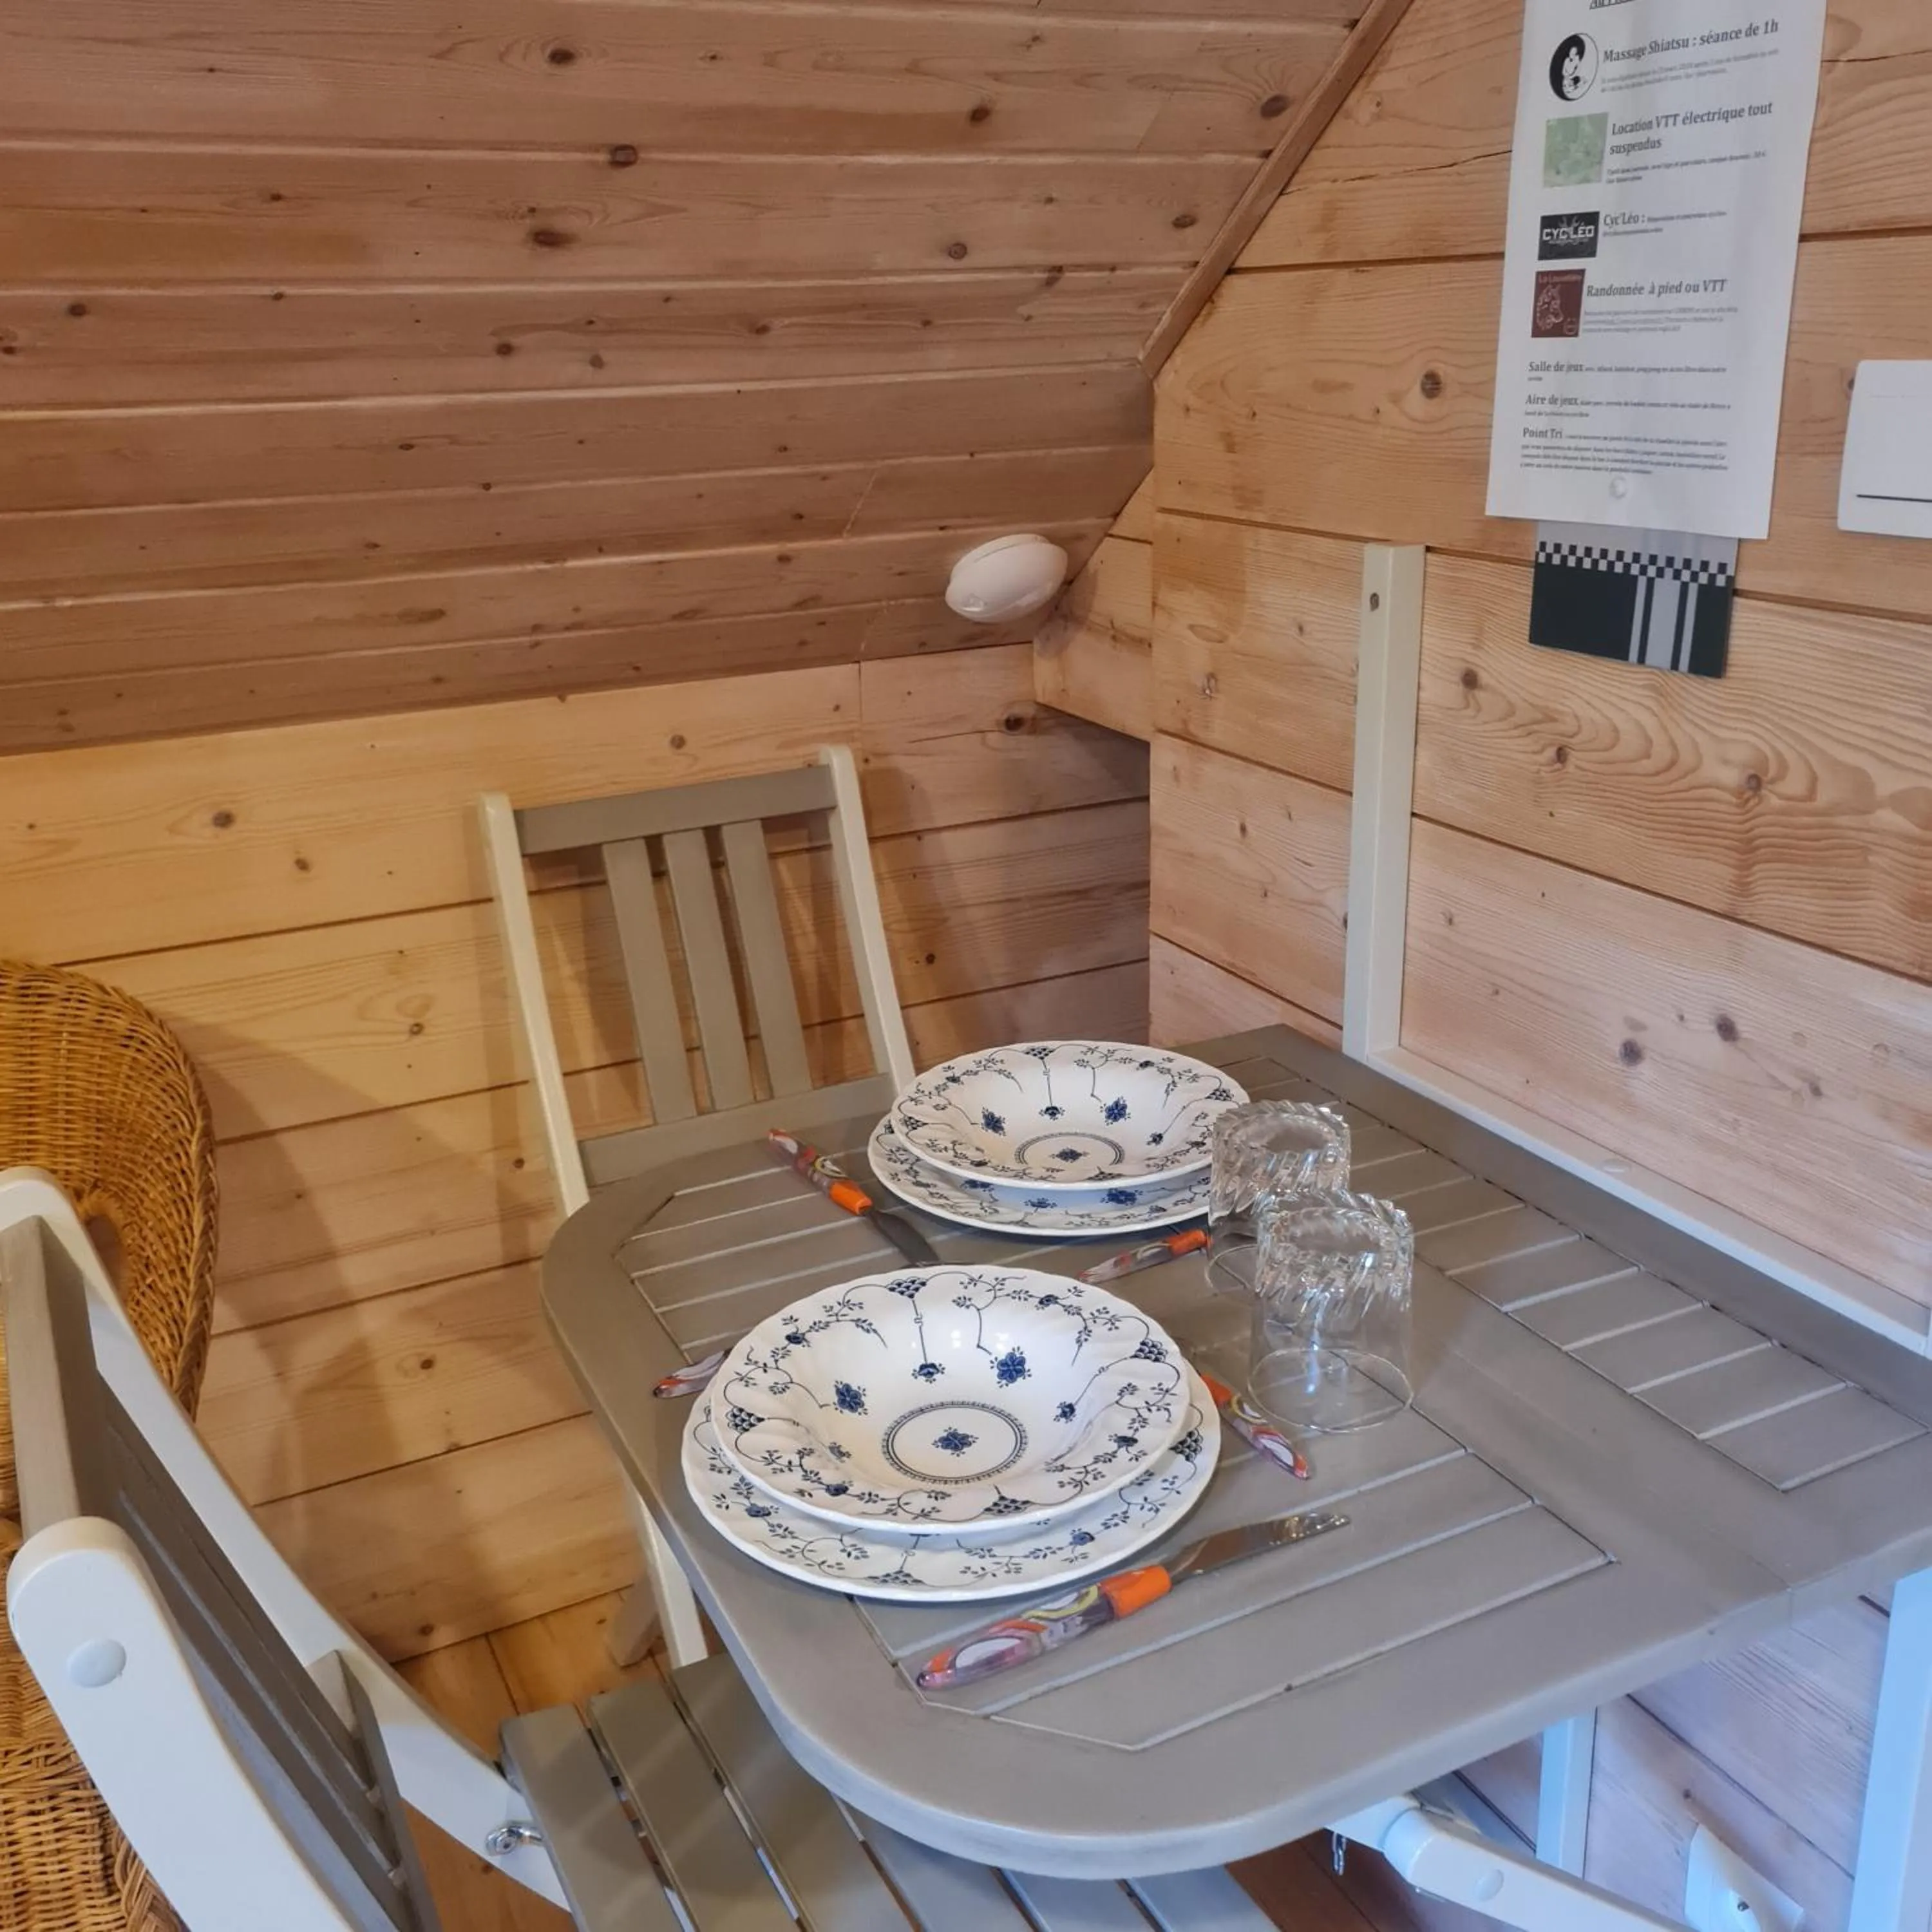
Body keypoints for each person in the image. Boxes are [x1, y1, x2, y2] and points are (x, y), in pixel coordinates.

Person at [1550, 33, 1594, 101]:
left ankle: (1575, 85)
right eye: (1571, 52)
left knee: (1577, 82)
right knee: (1567, 85)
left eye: (1574, 53)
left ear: (1576, 54)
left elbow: (1577, 71)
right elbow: (1564, 71)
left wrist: (1571, 77)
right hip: (1566, 78)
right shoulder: (1567, 60)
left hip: (1572, 78)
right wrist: (1567, 76)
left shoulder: (1577, 62)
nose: (1572, 54)